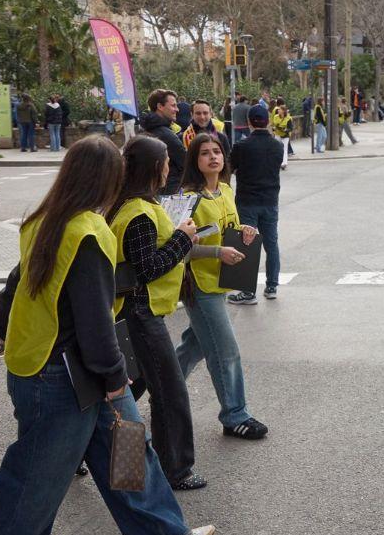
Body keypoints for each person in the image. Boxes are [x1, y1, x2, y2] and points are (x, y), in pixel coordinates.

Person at [0, 136, 214, 535]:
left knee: (126, 447)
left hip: (50, 364)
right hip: (62, 372)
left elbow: (17, 282)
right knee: (37, 470)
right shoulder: (89, 231)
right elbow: (94, 317)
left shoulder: (44, 220)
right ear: (107, 178)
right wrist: (115, 376)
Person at [108, 136, 206, 491]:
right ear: (154, 167)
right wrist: (182, 238)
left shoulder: (127, 206)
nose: (170, 167)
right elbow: (147, 269)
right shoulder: (138, 213)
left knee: (126, 395)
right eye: (166, 161)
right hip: (140, 316)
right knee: (169, 393)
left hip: (133, 314)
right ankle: (173, 470)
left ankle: (116, 468)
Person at [175, 133, 269, 440]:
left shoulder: (226, 190)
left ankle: (161, 388)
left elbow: (229, 228)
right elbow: (179, 248)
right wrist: (218, 252)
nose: (213, 157)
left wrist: (245, 231)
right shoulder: (189, 198)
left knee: (196, 345)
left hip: (223, 280)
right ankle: (235, 415)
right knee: (226, 350)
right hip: (199, 285)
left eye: (217, 152)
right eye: (205, 153)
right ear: (195, 161)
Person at [228, 104, 284, 303]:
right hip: (270, 201)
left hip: (247, 200)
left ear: (249, 122)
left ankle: (248, 292)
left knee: (247, 244)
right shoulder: (278, 145)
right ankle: (271, 287)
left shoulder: (241, 146)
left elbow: (231, 168)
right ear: (268, 121)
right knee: (271, 244)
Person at [138, 89, 188, 195]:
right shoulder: (166, 135)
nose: (177, 109)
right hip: (169, 191)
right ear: (160, 107)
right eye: (173, 105)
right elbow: (186, 163)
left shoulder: (145, 130)